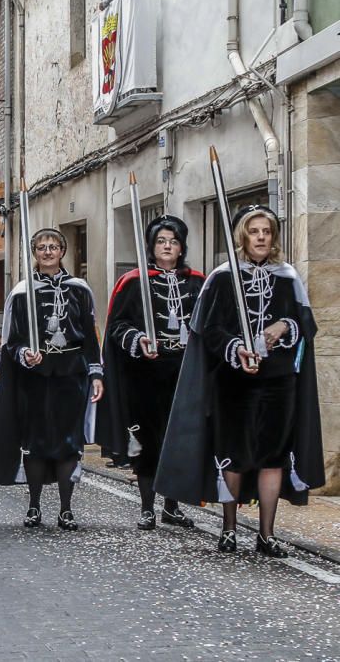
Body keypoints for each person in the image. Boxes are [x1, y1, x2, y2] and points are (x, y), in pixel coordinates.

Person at [156, 205, 324, 557]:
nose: (261, 237)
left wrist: (284, 326)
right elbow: (209, 329)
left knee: (272, 456)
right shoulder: (223, 276)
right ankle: (229, 529)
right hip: (233, 381)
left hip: (279, 381)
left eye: (267, 231)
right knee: (233, 455)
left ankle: (266, 534)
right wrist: (237, 350)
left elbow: (306, 324)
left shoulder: (288, 276)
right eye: (254, 231)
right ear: (243, 236)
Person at [0, 228, 104, 531]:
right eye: (42, 247)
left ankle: (66, 510)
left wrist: (95, 373)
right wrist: (26, 352)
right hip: (35, 378)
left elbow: (90, 337)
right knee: (36, 444)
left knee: (69, 444)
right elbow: (10, 342)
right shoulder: (22, 292)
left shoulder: (79, 289)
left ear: (63, 251)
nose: (48, 252)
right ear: (34, 253)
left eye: (54, 246)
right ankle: (34, 506)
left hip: (71, 375)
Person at [96, 216, 204, 531]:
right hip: (145, 373)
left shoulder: (198, 281)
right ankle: (147, 507)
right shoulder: (133, 281)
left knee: (179, 441)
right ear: (152, 246)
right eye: (161, 241)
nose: (167, 246)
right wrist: (138, 339)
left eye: (173, 241)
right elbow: (116, 325)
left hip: (184, 372)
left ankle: (172, 505)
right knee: (148, 440)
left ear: (182, 246)